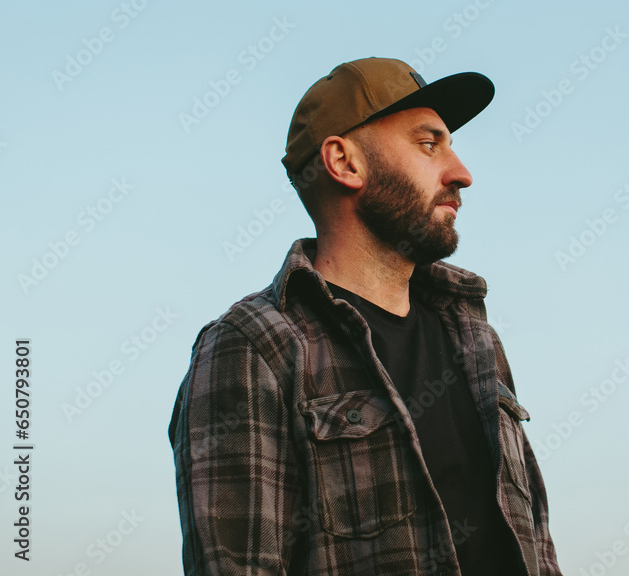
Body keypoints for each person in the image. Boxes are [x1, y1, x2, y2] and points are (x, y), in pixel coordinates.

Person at [168, 57, 564, 575]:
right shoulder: (254, 347)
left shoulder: (476, 338)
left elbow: (537, 548)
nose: (461, 173)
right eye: (429, 144)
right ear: (344, 162)